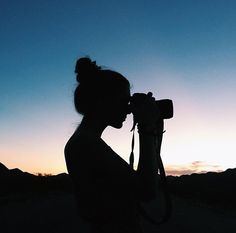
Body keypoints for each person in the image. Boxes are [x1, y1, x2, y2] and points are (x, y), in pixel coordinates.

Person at [64, 57, 161, 233]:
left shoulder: (84, 141)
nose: (129, 109)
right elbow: (147, 190)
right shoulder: (85, 144)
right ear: (102, 99)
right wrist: (146, 128)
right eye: (124, 100)